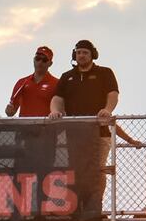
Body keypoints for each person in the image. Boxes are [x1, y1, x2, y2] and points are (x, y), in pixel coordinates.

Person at [47, 39, 118, 210]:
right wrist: (54, 110)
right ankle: (77, 205)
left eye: (85, 52)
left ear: (92, 54)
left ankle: (95, 205)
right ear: (74, 55)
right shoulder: (67, 77)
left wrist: (107, 110)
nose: (81, 55)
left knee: (97, 169)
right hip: (75, 133)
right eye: (78, 52)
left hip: (99, 132)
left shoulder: (105, 73)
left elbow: (113, 94)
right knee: (76, 169)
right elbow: (57, 98)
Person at [6, 45, 60, 117]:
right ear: (34, 60)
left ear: (50, 63)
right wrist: (9, 111)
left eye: (44, 60)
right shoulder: (22, 82)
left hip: (47, 126)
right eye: (38, 58)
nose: (40, 62)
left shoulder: (57, 83)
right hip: (25, 126)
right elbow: (11, 110)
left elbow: (61, 108)